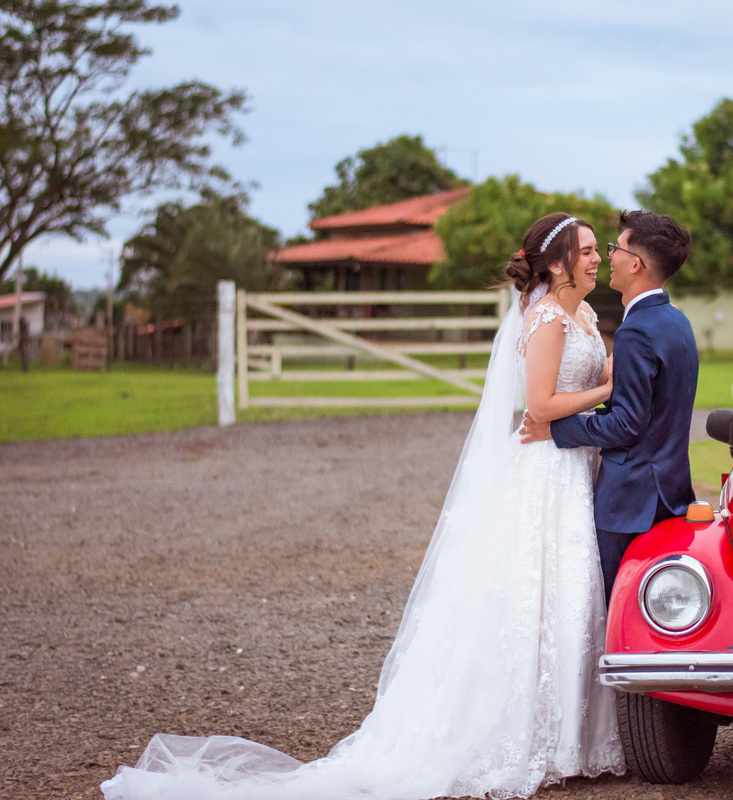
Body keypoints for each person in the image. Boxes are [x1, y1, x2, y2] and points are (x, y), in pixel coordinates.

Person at [101, 213, 625, 800]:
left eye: (595, 251)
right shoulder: (547, 317)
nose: (596, 259)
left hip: (574, 465)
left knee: (571, 593)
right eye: (586, 250)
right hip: (545, 470)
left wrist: (611, 371)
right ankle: (531, 738)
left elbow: (581, 383)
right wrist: (609, 389)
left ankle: (569, 737)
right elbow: (541, 405)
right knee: (538, 593)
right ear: (555, 263)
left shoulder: (584, 315)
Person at [521, 210, 698, 604]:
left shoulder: (637, 330)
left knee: (616, 603)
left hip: (630, 501)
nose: (607, 257)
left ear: (636, 264)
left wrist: (556, 429)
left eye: (614, 248)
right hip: (668, 490)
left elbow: (627, 424)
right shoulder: (677, 322)